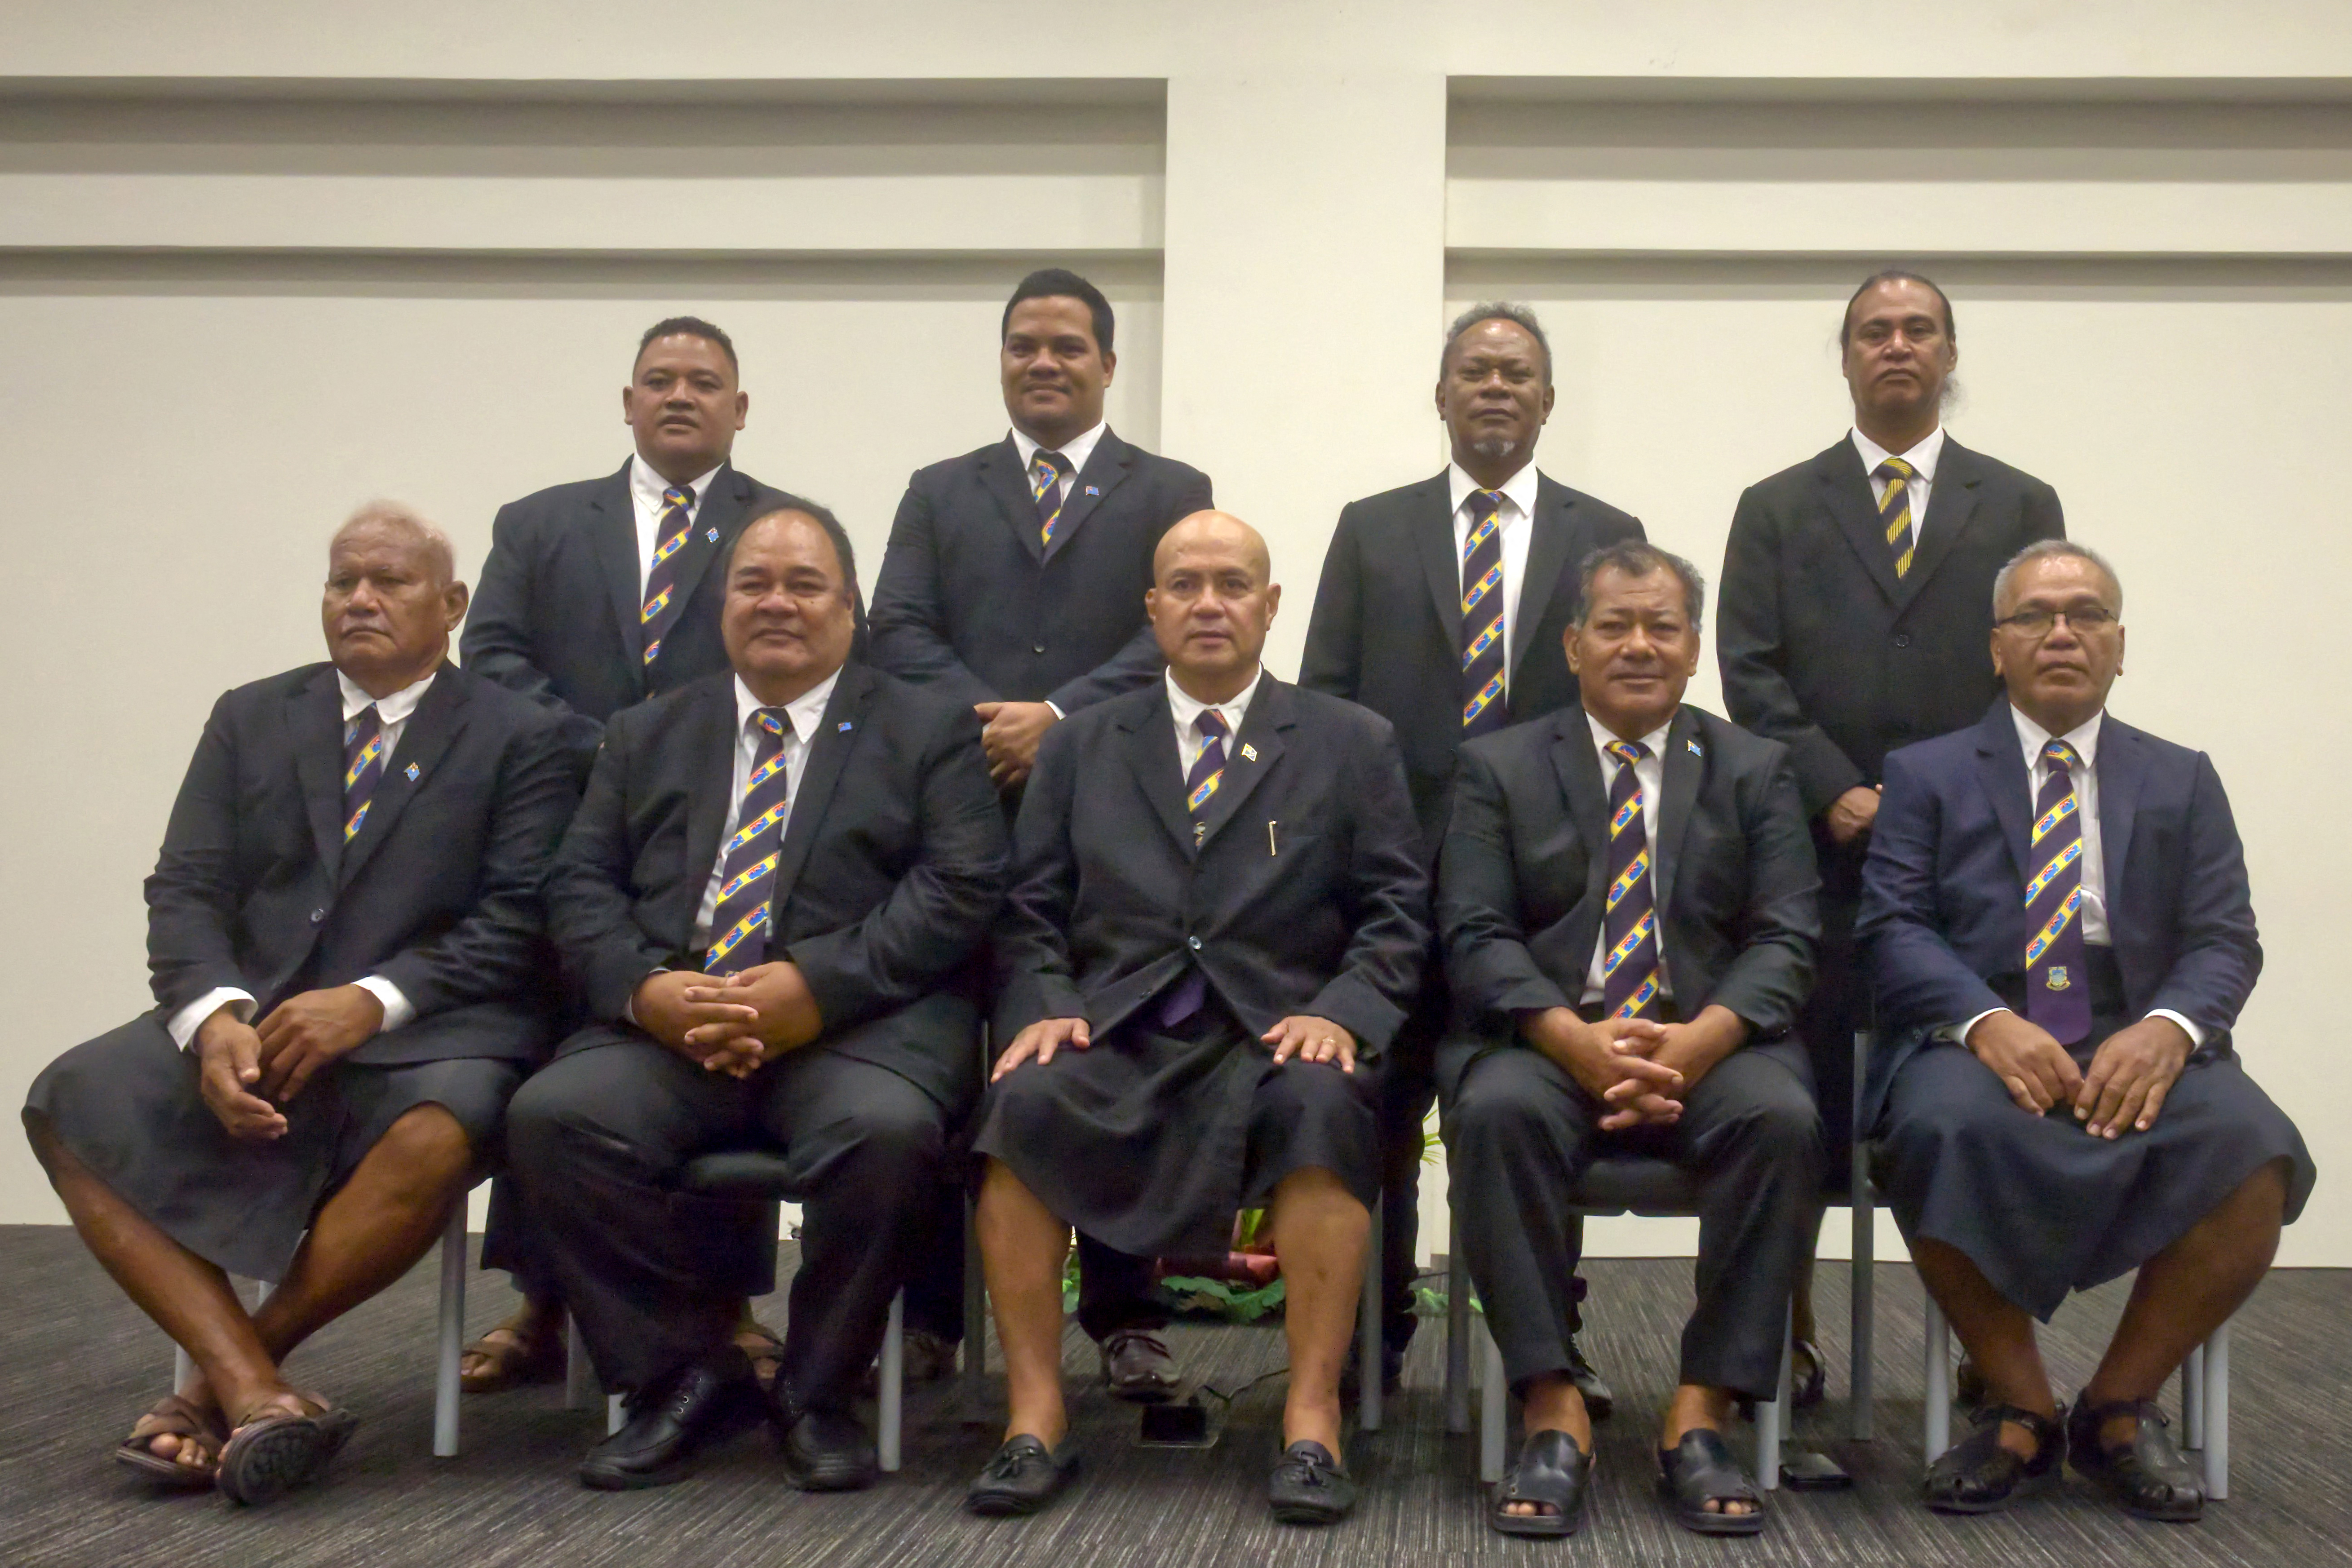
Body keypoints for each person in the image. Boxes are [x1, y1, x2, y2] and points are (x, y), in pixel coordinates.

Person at [22, 505, 576, 1505]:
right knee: (70, 1094)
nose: (359, 597)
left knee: (446, 1128)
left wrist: (372, 999)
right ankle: (258, 1392)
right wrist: (215, 1018)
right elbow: (186, 886)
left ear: (451, 605)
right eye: (341, 579)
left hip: (434, 1028)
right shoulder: (251, 714)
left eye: (389, 581)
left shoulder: (523, 735)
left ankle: (219, 1383)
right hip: (256, 1016)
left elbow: (522, 918)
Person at [505, 504, 1007, 1492]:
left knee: (891, 1134)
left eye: (804, 583)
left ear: (850, 607)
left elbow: (960, 888)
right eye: (753, 583)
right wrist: (647, 991)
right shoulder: (644, 730)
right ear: (722, 603)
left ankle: (815, 1392)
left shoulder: (926, 728)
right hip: (672, 1025)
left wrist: (813, 987)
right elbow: (577, 888)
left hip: (855, 1028)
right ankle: (683, 1373)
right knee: (551, 1117)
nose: (776, 601)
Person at [965, 512, 1427, 1524]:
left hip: (1274, 1033)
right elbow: (1029, 909)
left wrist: (1343, 1010)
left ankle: (1311, 1418)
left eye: (1231, 584)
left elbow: (1397, 913)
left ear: (1270, 606)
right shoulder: (1083, 742)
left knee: (1323, 1104)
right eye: (1184, 584)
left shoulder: (1352, 741)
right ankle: (1034, 1416)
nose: (1208, 602)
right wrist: (1044, 1005)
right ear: (1152, 609)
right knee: (1022, 1105)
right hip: (1117, 1026)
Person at [1858, 540, 2313, 1521]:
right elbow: (1888, 927)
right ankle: (2018, 1407)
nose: (2059, 632)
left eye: (2084, 613)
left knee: (2253, 1146)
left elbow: (2225, 936)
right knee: (1933, 1130)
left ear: (2118, 645)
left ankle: (2116, 1403)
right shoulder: (1924, 773)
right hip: (1976, 1034)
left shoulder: (2181, 776)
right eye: (2033, 615)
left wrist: (2168, 1026)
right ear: (1994, 647)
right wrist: (1983, 1021)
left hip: (2134, 1025)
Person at [1716, 269, 2064, 1400]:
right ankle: (1792, 1333)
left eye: (1918, 329)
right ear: (1847, 355)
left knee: (1970, 1104)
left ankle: (1983, 1346)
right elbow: (1748, 670)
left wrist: (1929, 801)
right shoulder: (1775, 503)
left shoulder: (2018, 502)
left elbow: (2028, 663)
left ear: (1948, 351)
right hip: (1810, 852)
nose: (1897, 346)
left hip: (1971, 854)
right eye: (1875, 331)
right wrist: (1831, 787)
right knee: (1798, 1101)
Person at [456, 315, 821, 1394]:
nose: (679, 395)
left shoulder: (782, 530)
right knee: (570, 1049)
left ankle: (728, 1303)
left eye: (704, 382)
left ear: (739, 409)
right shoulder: (539, 524)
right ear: (625, 401)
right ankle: (541, 1300)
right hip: (574, 820)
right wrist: (615, 747)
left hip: (739, 825)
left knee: (727, 1030)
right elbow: (496, 655)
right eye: (658, 380)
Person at [868, 267, 1214, 1399]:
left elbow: (1167, 630)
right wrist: (989, 720)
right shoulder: (937, 489)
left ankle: (1124, 1313)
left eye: (1068, 346)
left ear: (1109, 365)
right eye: (1023, 345)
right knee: (939, 1053)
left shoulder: (1170, 484)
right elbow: (897, 628)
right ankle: (932, 1312)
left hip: (1110, 805)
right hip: (954, 806)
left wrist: (1056, 720)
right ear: (1002, 360)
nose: (1043, 363)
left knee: (1101, 1041)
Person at [1440, 541, 1824, 1537]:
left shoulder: (1755, 767)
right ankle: (1548, 1398)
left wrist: (1696, 1042)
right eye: (1614, 625)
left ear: (1693, 647)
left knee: (1783, 1118)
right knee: (1492, 1110)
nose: (1638, 645)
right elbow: (1473, 932)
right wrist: (1572, 1039)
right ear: (1572, 645)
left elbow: (1787, 935)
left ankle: (1702, 1407)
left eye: (1661, 626)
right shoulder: (1498, 766)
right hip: (1551, 1041)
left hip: (1711, 1046)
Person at [1301, 301, 1641, 1402]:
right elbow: (1326, 703)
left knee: (1533, 1111)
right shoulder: (1371, 527)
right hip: (1391, 875)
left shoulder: (1608, 532)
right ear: (1439, 395)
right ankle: (1372, 1335)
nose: (1495, 387)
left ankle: (1547, 1345)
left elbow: (1621, 720)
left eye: (1517, 373)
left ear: (1550, 400)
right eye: (1474, 371)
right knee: (1381, 1110)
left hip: (1546, 889)